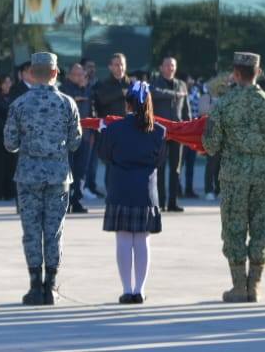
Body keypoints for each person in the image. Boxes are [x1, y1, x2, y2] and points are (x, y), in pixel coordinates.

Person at [202, 51, 265, 303]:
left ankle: (239, 286)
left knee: (234, 229)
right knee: (262, 229)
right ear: (258, 73)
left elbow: (210, 145)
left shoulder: (224, 105)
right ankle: (255, 286)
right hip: (264, 177)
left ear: (235, 74)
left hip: (234, 178)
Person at [3, 52, 82, 306]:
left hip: (28, 176)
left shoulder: (19, 104)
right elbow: (75, 142)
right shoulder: (68, 103)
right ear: (55, 73)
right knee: (54, 232)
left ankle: (35, 286)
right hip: (58, 176)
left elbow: (9, 143)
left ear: (32, 73)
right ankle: (50, 287)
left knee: (31, 231)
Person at [97, 79, 167, 303]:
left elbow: (104, 155)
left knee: (124, 240)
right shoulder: (159, 132)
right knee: (142, 241)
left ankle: (127, 290)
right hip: (146, 191)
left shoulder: (113, 129)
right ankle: (140, 290)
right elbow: (159, 161)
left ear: (127, 104)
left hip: (120, 188)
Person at [150, 56, 190, 213]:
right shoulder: (154, 83)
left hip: (178, 131)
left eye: (172, 65)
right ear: (161, 67)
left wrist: (188, 126)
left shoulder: (182, 85)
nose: (170, 68)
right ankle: (160, 202)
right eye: (167, 65)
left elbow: (186, 109)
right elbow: (154, 93)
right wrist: (174, 94)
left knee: (176, 168)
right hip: (159, 131)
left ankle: (173, 202)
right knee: (159, 168)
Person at [61, 63, 93, 213]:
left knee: (81, 171)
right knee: (68, 170)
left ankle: (77, 200)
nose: (80, 77)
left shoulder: (88, 89)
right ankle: (66, 201)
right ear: (69, 75)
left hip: (85, 136)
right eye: (76, 74)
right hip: (68, 137)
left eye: (82, 75)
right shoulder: (63, 89)